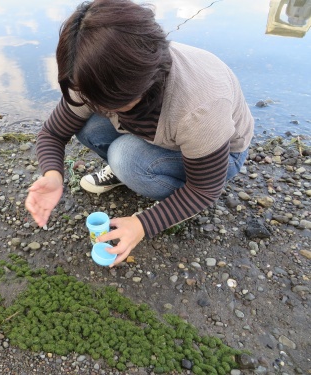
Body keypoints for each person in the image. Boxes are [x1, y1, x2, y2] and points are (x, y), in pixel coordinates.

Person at [25, 0, 254, 267]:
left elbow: (204, 190)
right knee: (86, 125)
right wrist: (53, 175)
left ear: (142, 84)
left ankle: (158, 188)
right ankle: (133, 174)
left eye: (108, 101)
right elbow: (53, 133)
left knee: (125, 158)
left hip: (221, 155)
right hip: (165, 132)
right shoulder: (89, 73)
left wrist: (143, 224)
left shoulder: (200, 108)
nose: (93, 104)